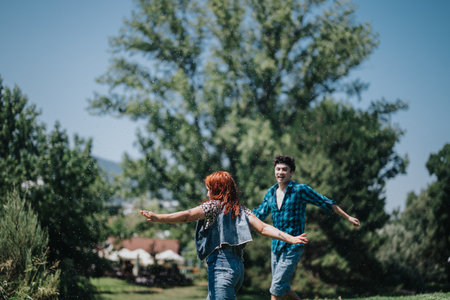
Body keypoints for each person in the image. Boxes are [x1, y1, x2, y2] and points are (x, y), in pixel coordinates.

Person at [140, 170, 308, 300]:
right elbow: (263, 228)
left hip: (222, 268)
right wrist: (290, 238)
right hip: (238, 269)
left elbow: (186, 215)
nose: (207, 194)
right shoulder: (241, 210)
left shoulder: (213, 206)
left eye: (208, 189)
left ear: (216, 189)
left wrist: (158, 217)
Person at [253, 155, 360, 300]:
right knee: (282, 287)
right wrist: (238, 214)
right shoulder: (271, 193)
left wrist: (347, 217)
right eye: (278, 169)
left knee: (276, 288)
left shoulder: (300, 190)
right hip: (276, 246)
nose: (280, 172)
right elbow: (258, 214)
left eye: (285, 169)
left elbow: (325, 202)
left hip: (294, 245)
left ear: (291, 173)